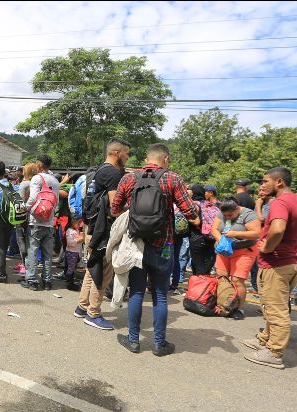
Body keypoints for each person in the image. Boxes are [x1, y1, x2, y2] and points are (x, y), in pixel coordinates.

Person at [112, 143, 199, 356]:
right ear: (165, 159)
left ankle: (133, 341)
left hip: (137, 244)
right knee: (160, 295)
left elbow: (114, 209)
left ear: (146, 159)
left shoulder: (129, 178)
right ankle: (160, 344)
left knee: (137, 293)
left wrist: (134, 210)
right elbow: (189, 212)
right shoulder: (173, 179)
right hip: (164, 245)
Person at [243, 167, 297, 369]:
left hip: (276, 264)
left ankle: (274, 352)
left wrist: (268, 246)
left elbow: (277, 228)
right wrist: (293, 245)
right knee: (271, 304)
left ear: (279, 182)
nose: (262, 185)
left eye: (265, 181)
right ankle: (265, 339)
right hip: (289, 262)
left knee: (276, 309)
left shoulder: (280, 202)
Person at [73, 139, 128, 328]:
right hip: (103, 231)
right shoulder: (113, 173)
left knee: (91, 268)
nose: (127, 158)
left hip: (91, 227)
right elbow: (115, 207)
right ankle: (93, 313)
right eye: (126, 154)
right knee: (103, 272)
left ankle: (82, 306)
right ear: (116, 152)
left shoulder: (97, 171)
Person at [211, 196, 261, 319]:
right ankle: (223, 304)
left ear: (237, 209)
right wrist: (220, 239)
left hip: (244, 251)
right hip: (224, 250)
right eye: (225, 215)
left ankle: (237, 308)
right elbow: (214, 228)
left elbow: (256, 233)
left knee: (237, 280)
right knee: (221, 277)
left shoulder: (248, 214)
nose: (227, 217)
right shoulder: (222, 212)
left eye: (230, 215)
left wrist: (235, 234)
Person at [22, 154, 60, 291]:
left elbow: (32, 198)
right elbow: (55, 201)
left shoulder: (37, 178)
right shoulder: (55, 181)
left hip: (35, 221)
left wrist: (25, 208)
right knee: (47, 254)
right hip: (49, 222)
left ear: (39, 165)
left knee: (32, 251)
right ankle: (47, 281)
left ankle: (32, 280)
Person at [14, 162, 38, 277]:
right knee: (31, 242)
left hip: (22, 215)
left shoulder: (23, 184)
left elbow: (19, 201)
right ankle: (30, 267)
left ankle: (25, 265)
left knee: (21, 240)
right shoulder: (38, 184)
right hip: (35, 216)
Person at [188, 184, 219, 276]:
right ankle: (205, 284)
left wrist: (188, 219)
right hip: (211, 237)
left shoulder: (193, 205)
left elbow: (196, 222)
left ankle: (199, 286)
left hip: (196, 237)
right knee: (207, 264)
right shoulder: (213, 205)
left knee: (198, 266)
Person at [64, 217, 83, 291]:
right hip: (71, 252)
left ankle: (70, 281)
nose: (80, 225)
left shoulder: (76, 230)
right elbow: (70, 243)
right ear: (73, 222)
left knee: (72, 267)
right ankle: (70, 283)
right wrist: (79, 240)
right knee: (70, 268)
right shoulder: (70, 231)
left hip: (75, 252)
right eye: (78, 223)